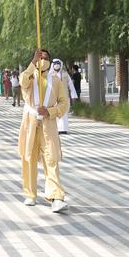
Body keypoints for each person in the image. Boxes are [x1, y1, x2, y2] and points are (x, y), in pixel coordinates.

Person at [18, 49, 69, 211]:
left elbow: (64, 103)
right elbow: (22, 81)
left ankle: (56, 196)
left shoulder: (56, 81)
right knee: (29, 157)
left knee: (51, 159)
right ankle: (30, 193)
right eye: (40, 58)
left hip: (48, 125)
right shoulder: (30, 77)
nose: (43, 60)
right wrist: (33, 62)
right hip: (30, 123)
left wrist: (50, 112)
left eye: (45, 58)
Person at [51, 59, 78, 134]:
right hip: (53, 98)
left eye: (58, 63)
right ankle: (56, 129)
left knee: (64, 113)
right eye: (55, 64)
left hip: (65, 97)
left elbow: (71, 86)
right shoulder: (49, 75)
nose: (56, 65)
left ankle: (63, 129)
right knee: (55, 113)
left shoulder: (65, 74)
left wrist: (73, 95)